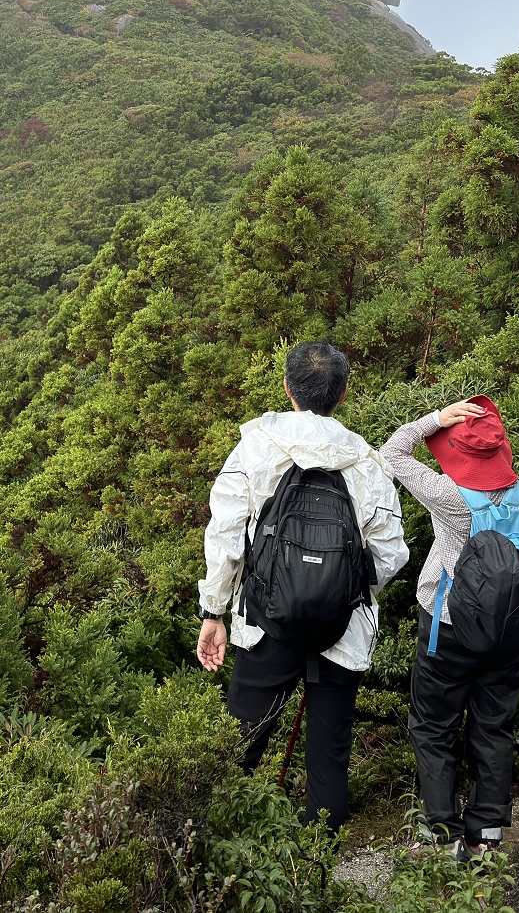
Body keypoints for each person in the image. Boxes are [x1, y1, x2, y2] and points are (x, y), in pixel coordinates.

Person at [195, 342, 409, 830]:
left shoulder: (255, 446)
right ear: (344, 393)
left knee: (236, 747)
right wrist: (338, 591)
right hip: (342, 632)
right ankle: (313, 877)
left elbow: (225, 533)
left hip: (266, 625)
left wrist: (214, 613)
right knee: (329, 762)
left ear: (288, 388)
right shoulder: (366, 462)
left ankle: (214, 865)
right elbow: (392, 553)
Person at [380, 395, 519, 856]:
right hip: (511, 635)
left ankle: (442, 835)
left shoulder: (449, 496)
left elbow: (392, 452)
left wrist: (436, 418)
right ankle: (486, 836)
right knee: (494, 725)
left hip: (447, 626)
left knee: (434, 724)